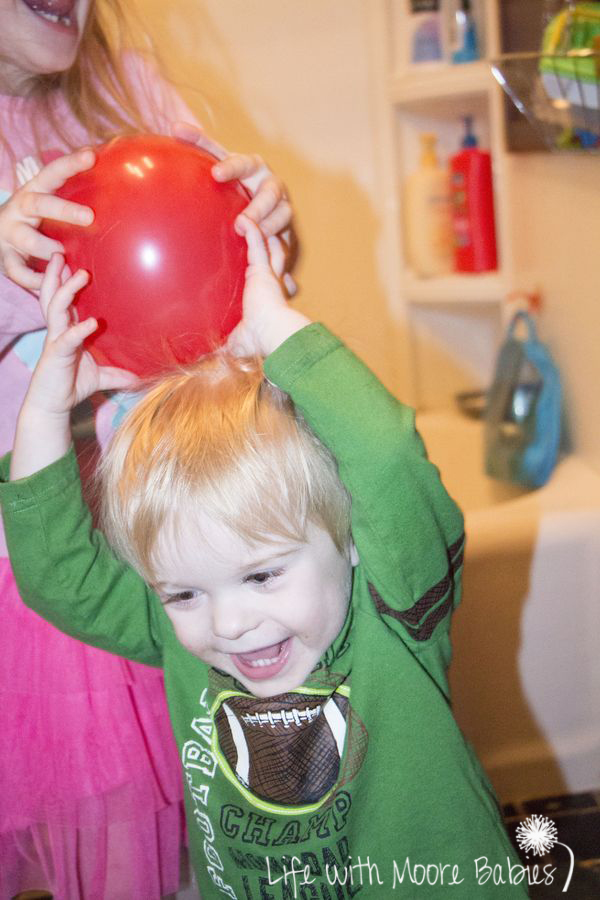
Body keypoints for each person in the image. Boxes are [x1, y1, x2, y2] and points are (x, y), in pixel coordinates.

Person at [0, 216, 531, 900]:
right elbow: (59, 578)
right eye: (182, 593)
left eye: (262, 575)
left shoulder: (398, 606)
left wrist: (279, 330)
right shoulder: (188, 642)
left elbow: (390, 459)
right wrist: (43, 412)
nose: (227, 623)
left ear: (349, 540)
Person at [0, 1, 293, 897]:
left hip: (158, 547)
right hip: (29, 568)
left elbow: (227, 306)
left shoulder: (131, 90)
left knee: (178, 856)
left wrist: (273, 234)